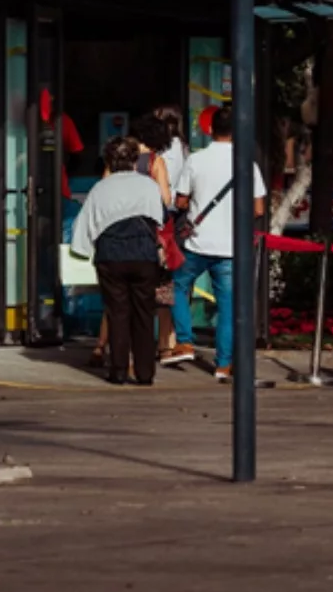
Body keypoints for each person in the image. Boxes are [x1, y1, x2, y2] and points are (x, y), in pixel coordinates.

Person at [171, 107, 267, 383]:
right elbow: (258, 209)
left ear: (210, 129)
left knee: (177, 286)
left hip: (197, 243)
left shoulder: (196, 160)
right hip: (231, 248)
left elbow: (180, 201)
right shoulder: (247, 164)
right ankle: (223, 365)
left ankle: (185, 341)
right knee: (227, 307)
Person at [73, 136, 167, 386]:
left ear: (109, 162)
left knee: (117, 313)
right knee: (144, 313)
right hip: (143, 254)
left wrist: (82, 251)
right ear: (135, 160)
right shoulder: (149, 186)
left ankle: (119, 370)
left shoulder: (100, 189)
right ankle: (145, 372)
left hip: (111, 254)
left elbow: (85, 225)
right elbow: (160, 218)